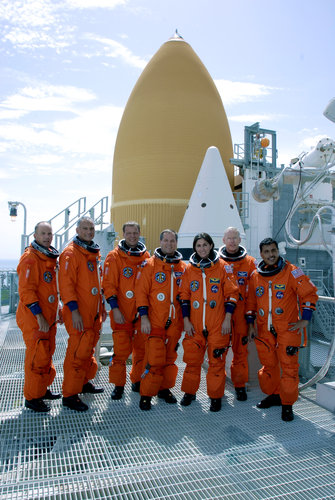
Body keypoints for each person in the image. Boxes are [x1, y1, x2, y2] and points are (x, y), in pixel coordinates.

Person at [246, 237, 318, 421]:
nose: (271, 255)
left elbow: (309, 294)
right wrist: (251, 325)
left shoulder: (292, 272)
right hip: (264, 330)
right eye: (267, 252)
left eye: (273, 251)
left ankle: (287, 404)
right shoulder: (256, 276)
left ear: (278, 251)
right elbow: (251, 303)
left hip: (288, 328)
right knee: (269, 366)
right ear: (261, 254)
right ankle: (275, 395)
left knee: (289, 368)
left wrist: (305, 319)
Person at [180, 233, 239, 412]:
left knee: (216, 363)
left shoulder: (223, 267)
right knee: (192, 361)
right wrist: (186, 321)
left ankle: (215, 396)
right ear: (194, 248)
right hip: (196, 325)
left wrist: (228, 319)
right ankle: (189, 393)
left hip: (218, 324)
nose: (202, 248)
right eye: (198, 245)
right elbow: (184, 297)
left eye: (205, 245)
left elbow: (232, 295)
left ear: (211, 245)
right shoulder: (190, 270)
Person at [135, 229, 186, 411]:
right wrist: (144, 318)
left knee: (170, 359)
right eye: (166, 240)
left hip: (174, 323)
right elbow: (141, 293)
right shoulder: (150, 265)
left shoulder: (182, 268)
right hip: (155, 321)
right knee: (154, 359)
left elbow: (186, 296)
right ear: (160, 241)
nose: (169, 244)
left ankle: (164, 389)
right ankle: (146, 393)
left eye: (172, 241)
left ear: (176, 243)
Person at [59, 216, 105, 412]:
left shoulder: (92, 253)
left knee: (88, 349)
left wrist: (101, 310)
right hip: (78, 313)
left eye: (91, 229)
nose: (88, 232)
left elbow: (97, 285)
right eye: (85, 228)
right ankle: (70, 395)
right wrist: (74, 311)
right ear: (77, 230)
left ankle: (84, 382)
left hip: (93, 313)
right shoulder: (70, 254)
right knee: (77, 353)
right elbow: (66, 286)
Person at [16, 221, 61, 412]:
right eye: (43, 233)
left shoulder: (48, 259)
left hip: (48, 317)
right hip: (35, 318)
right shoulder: (30, 259)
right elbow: (26, 291)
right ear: (35, 236)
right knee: (36, 357)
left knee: (46, 354)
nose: (47, 237)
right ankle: (32, 398)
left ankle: (41, 389)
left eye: (49, 234)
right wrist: (39, 316)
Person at [102, 222, 150, 400]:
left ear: (139, 234)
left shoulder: (146, 256)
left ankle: (136, 380)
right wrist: (114, 309)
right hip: (121, 312)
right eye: (128, 233)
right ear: (123, 234)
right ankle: (118, 385)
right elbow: (108, 285)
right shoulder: (114, 257)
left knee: (141, 350)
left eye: (135, 233)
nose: (132, 236)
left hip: (141, 314)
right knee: (121, 352)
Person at [219, 227, 257, 401]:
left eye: (235, 238)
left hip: (241, 315)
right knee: (219, 352)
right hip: (222, 315)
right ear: (223, 240)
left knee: (241, 353)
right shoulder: (217, 262)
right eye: (229, 238)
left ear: (240, 240)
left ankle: (239, 385)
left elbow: (255, 292)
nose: (232, 241)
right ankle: (217, 388)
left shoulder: (250, 263)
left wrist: (251, 318)